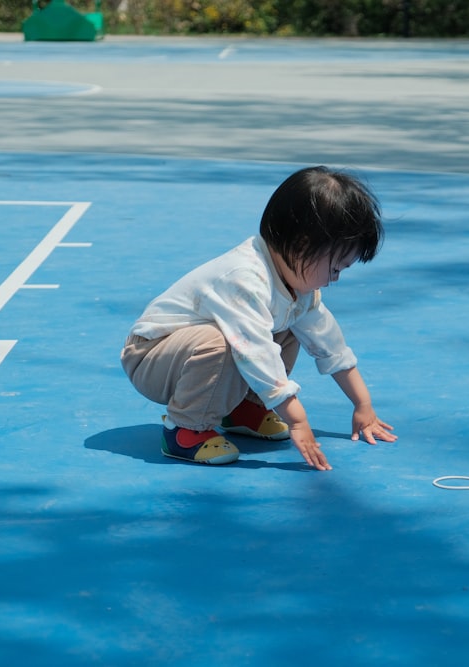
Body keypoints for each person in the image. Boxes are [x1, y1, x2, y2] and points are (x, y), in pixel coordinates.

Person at [120, 166, 396, 470]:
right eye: (335, 268)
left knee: (288, 325)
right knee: (225, 343)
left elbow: (329, 344)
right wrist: (297, 420)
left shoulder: (296, 287)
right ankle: (185, 430)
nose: (335, 279)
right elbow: (255, 353)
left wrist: (363, 404)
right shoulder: (245, 280)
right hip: (151, 357)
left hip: (189, 355)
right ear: (303, 246)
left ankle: (244, 411)